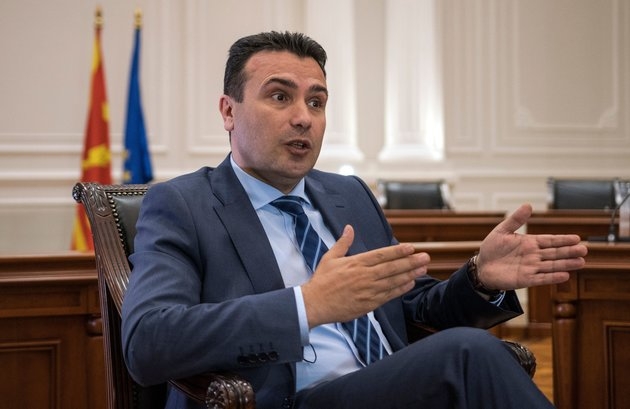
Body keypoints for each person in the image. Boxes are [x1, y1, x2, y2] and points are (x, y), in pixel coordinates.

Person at [121, 31, 587, 409]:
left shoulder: (348, 195)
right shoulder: (183, 204)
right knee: (467, 355)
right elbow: (148, 341)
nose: (303, 118)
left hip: (389, 386)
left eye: (316, 102)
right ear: (228, 111)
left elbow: (412, 309)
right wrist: (307, 306)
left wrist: (479, 279)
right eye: (280, 97)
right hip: (290, 399)